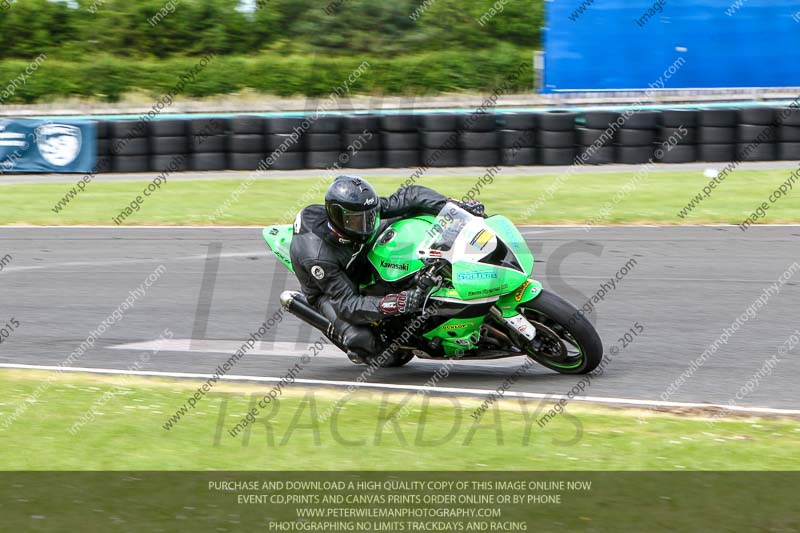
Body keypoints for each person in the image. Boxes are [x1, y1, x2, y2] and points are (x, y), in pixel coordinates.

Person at [289, 175, 484, 363]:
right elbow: (347, 304)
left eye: (370, 217)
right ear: (338, 217)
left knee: (412, 214)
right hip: (329, 291)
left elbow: (410, 196)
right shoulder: (319, 256)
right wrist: (397, 303)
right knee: (365, 342)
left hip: (359, 255)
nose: (366, 225)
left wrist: (455, 206)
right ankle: (308, 310)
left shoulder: (360, 212)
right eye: (358, 221)